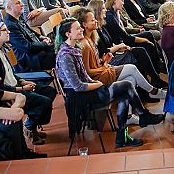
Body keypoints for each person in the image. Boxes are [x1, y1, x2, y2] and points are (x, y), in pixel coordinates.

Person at [55, 17, 164, 149]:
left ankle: (122, 137)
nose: (81, 29)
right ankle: (143, 115)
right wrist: (99, 84)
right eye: (77, 28)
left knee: (124, 94)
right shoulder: (66, 55)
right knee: (127, 85)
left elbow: (85, 77)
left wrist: (96, 80)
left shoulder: (74, 49)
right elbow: (78, 86)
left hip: (88, 89)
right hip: (79, 97)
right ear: (68, 34)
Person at [0, 21, 55, 145]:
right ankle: (30, 128)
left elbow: (10, 72)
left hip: (16, 84)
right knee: (44, 103)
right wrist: (22, 88)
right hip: (8, 92)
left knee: (50, 91)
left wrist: (22, 81)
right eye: (4, 30)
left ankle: (31, 124)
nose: (8, 32)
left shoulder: (1, 49)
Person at [76, 7, 166, 103]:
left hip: (103, 69)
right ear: (85, 25)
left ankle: (129, 115)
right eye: (92, 20)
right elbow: (88, 72)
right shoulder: (85, 44)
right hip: (98, 77)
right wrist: (105, 66)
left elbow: (97, 62)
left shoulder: (91, 38)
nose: (96, 22)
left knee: (130, 79)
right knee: (132, 68)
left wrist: (104, 61)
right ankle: (153, 91)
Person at [87, 0, 166, 89]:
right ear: (98, 11)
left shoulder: (102, 24)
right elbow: (104, 51)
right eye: (103, 8)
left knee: (143, 47)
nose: (105, 10)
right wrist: (119, 46)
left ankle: (154, 78)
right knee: (141, 51)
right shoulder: (104, 23)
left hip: (115, 51)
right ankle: (152, 82)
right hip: (109, 58)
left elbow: (111, 42)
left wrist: (119, 47)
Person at [105, 0, 164, 72]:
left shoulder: (116, 13)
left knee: (149, 35)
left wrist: (138, 30)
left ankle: (160, 63)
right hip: (122, 42)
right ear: (114, 1)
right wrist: (144, 39)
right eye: (121, 0)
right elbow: (126, 37)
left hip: (126, 37)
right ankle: (158, 66)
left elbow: (127, 26)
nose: (123, 3)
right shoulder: (110, 16)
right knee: (147, 42)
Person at [4, 0, 56, 72]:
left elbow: (30, 31)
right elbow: (27, 47)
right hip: (31, 60)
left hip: (38, 51)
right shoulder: (10, 25)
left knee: (62, 48)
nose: (22, 4)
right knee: (64, 56)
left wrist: (40, 36)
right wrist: (45, 43)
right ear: (9, 7)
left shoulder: (19, 18)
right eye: (18, 3)